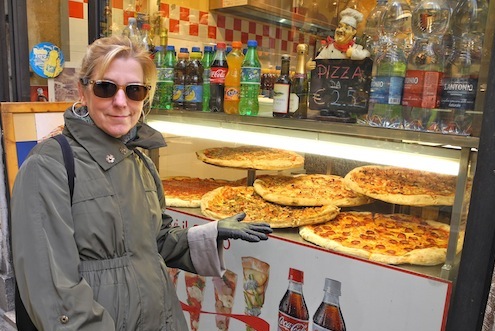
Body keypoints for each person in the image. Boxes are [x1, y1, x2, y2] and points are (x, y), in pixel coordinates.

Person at [11, 35, 272, 330]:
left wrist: (208, 235)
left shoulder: (141, 162)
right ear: (83, 91)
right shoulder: (49, 166)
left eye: (134, 90)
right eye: (106, 88)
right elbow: (55, 297)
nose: (121, 102)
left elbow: (154, 242)